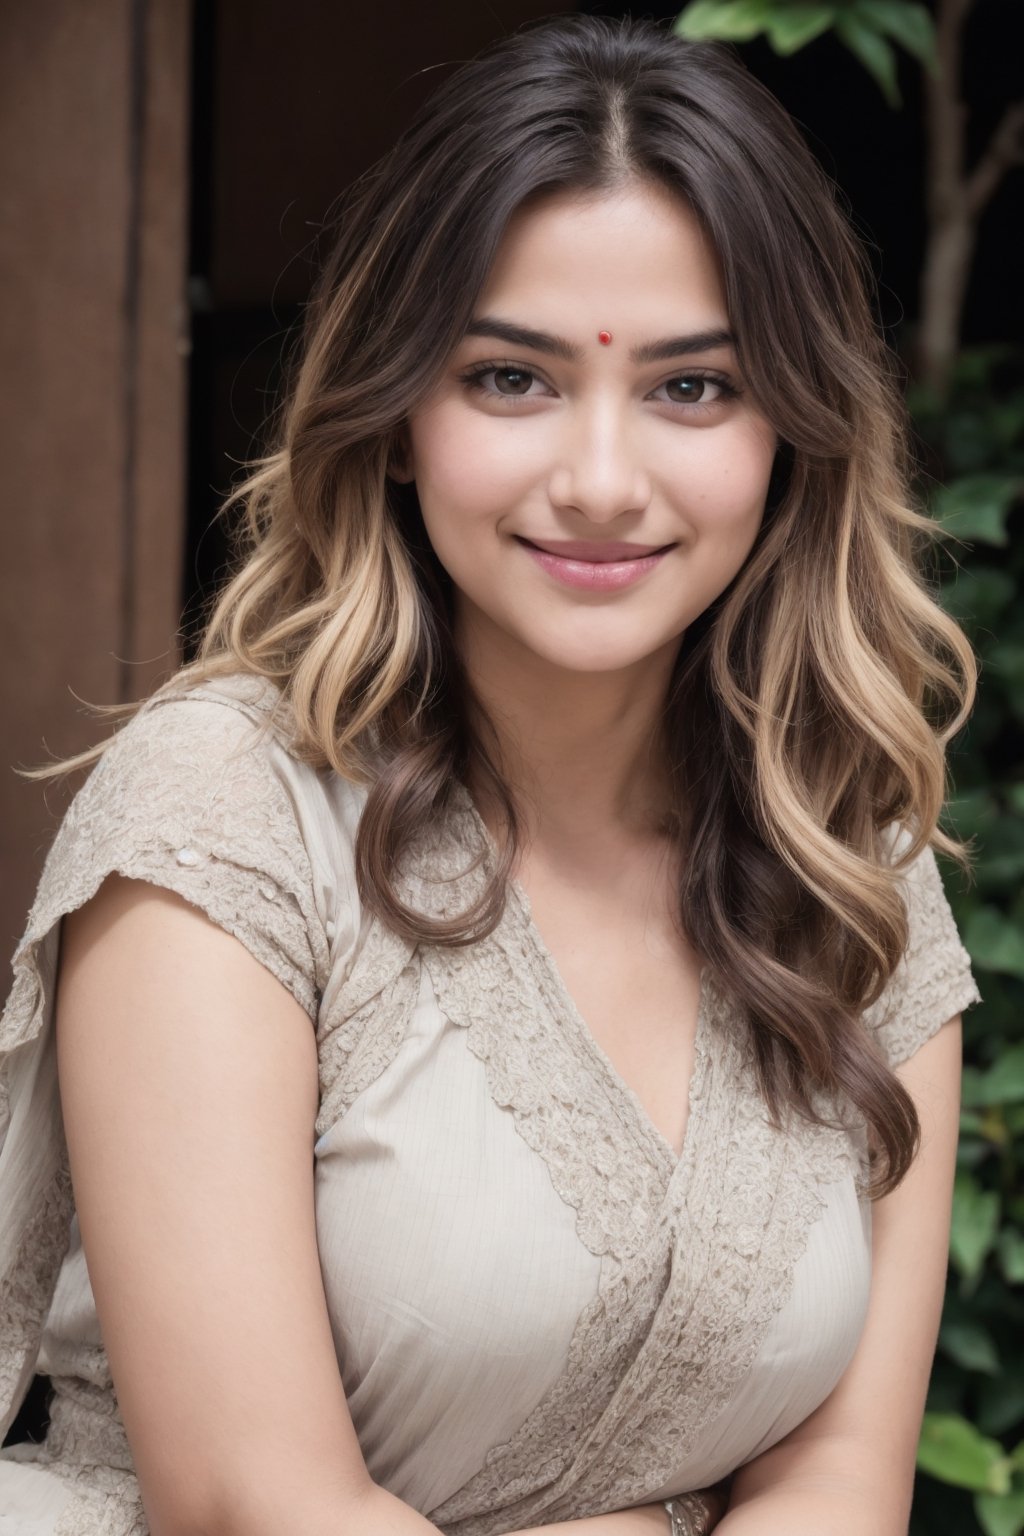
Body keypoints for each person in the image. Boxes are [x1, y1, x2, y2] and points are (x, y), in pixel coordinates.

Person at [0, 14, 981, 1536]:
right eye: (511, 380)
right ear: (395, 419)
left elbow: (843, 1482)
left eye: (693, 388)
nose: (599, 479)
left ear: (793, 430)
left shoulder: (848, 848)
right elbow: (248, 1500)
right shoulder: (222, 817)